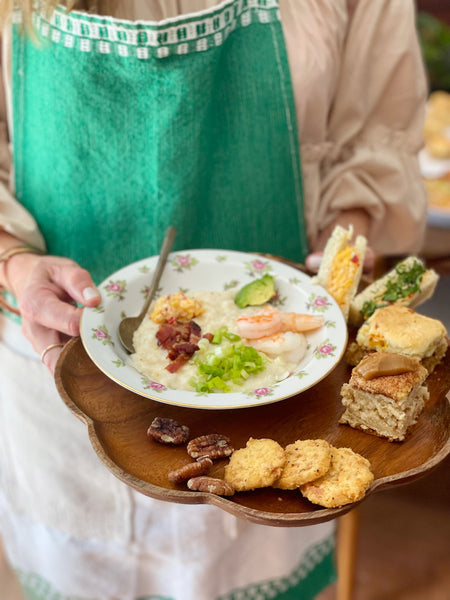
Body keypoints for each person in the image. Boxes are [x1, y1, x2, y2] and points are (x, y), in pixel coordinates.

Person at [0, 1, 428, 599]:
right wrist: (13, 260)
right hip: (58, 369)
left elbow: (375, 136)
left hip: (281, 406)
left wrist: (342, 248)